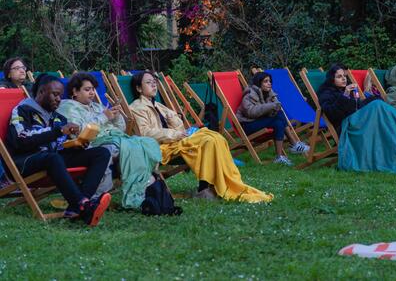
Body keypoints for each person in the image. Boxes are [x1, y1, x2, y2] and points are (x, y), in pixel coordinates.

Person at [128, 71, 272, 202]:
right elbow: (145, 132)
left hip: (176, 140)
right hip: (161, 146)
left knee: (217, 137)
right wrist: (176, 133)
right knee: (208, 140)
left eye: (154, 81)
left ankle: (219, 183)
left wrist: (173, 119)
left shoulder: (159, 105)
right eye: (148, 82)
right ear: (139, 88)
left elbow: (179, 125)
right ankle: (204, 188)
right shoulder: (137, 108)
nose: (154, 84)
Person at [7, 74, 112, 226]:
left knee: (102, 153)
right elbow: (21, 140)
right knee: (52, 157)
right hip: (25, 161)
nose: (59, 99)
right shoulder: (22, 110)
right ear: (41, 92)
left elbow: (60, 145)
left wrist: (75, 144)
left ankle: (80, 204)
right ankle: (83, 205)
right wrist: (58, 131)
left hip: (51, 161)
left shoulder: (58, 117)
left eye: (60, 96)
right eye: (55, 94)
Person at [57, 72, 162, 209]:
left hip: (114, 138)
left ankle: (143, 189)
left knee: (144, 143)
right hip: (91, 144)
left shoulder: (96, 107)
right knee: (118, 149)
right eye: (87, 89)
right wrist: (103, 117)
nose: (92, 93)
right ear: (75, 91)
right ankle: (98, 195)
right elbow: (77, 131)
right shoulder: (68, 107)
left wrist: (116, 116)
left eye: (93, 89)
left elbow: (120, 129)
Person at [317, 64, 396, 173]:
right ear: (332, 79)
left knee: (378, 105)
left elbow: (356, 107)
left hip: (357, 120)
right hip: (346, 127)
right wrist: (345, 95)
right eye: (339, 77)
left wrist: (360, 99)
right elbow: (332, 114)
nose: (343, 79)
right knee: (377, 105)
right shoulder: (326, 93)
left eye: (344, 76)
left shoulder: (346, 89)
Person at [237, 72, 310, 166]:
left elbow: (274, 107)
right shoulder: (249, 95)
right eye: (265, 81)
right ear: (259, 83)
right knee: (278, 116)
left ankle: (279, 157)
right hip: (248, 125)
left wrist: (274, 108)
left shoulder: (269, 94)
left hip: (260, 122)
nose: (269, 83)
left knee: (278, 122)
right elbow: (251, 112)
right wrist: (270, 106)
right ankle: (294, 143)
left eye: (270, 81)